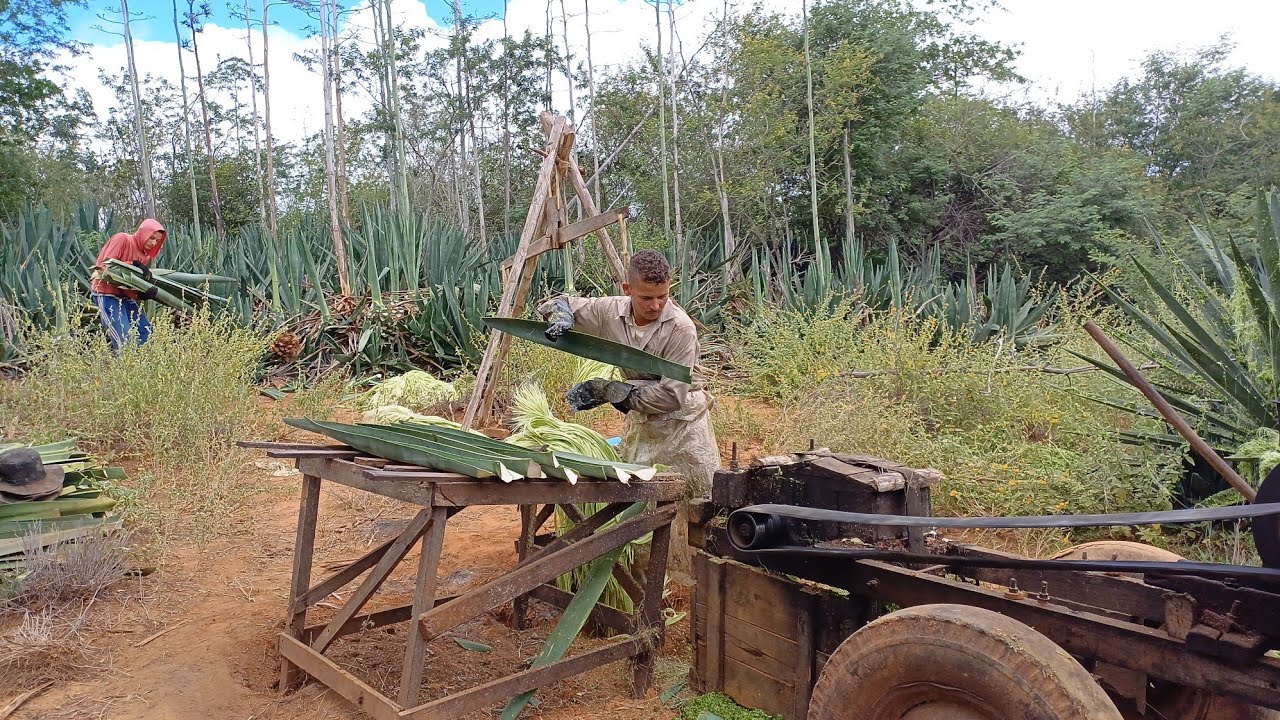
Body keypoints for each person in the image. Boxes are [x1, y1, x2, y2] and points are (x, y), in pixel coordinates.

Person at [539, 250, 721, 579]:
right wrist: (559, 315)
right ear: (627, 289)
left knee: (703, 500)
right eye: (646, 297)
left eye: (663, 296)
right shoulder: (611, 311)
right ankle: (650, 580)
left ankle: (702, 583)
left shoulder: (680, 329)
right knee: (642, 499)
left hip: (685, 419)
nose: (655, 305)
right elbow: (557, 302)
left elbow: (670, 396)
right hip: (642, 418)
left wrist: (611, 392)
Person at [89, 219, 167, 352]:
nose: (153, 242)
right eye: (151, 237)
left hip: (125, 297)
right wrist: (133, 265)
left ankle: (144, 369)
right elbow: (106, 266)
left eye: (157, 240)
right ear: (143, 233)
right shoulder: (122, 239)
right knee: (123, 339)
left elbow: (129, 283)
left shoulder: (144, 256)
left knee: (146, 333)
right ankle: (125, 370)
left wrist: (141, 294)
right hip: (106, 294)